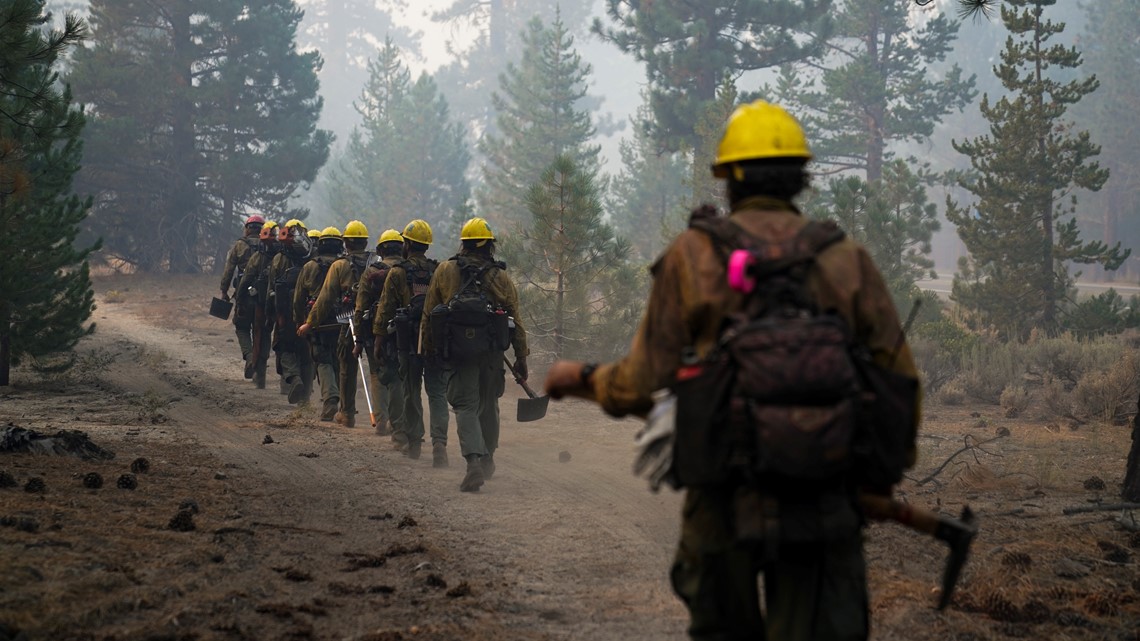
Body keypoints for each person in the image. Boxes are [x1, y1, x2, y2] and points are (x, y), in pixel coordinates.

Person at [544, 100, 922, 641]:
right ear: (800, 177)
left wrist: (580, 378)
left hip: (722, 498)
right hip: (824, 497)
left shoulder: (693, 254)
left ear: (730, 179)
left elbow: (641, 382)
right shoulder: (846, 258)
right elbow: (899, 385)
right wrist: (877, 479)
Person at [421, 217, 528, 491]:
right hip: (491, 353)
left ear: (464, 244)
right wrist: (521, 357)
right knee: (489, 404)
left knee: (465, 406)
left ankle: (473, 464)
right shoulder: (500, 276)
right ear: (489, 245)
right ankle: (488, 457)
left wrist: (429, 350)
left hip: (458, 353)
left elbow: (430, 314)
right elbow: (515, 319)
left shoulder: (445, 270)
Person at [375, 220, 449, 463]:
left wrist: (378, 339)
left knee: (411, 390)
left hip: (407, 342)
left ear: (407, 244)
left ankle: (415, 443)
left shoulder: (397, 273)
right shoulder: (438, 270)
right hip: (434, 340)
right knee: (437, 392)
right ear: (426, 245)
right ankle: (439, 443)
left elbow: (385, 309)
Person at [301, 220, 371, 427]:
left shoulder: (338, 266)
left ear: (346, 243)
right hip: (372, 322)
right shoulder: (376, 264)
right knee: (378, 370)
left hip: (345, 322)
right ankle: (384, 416)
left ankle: (345, 411)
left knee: (342, 364)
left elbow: (324, 298)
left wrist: (308, 322)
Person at [354, 228, 406, 435]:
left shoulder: (371, 272)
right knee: (399, 376)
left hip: (374, 332)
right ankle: (397, 422)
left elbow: (360, 307)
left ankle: (381, 419)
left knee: (377, 373)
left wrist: (358, 339)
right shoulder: (407, 269)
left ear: (381, 250)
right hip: (403, 331)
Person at [294, 226, 344, 421]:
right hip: (342, 319)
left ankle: (330, 400)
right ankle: (343, 404)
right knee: (338, 359)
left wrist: (300, 322)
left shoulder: (310, 266)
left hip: (316, 321)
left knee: (322, 360)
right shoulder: (345, 265)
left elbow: (298, 298)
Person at [270, 219, 315, 405]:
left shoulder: (278, 259)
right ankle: (305, 399)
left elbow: (271, 288)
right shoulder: (313, 257)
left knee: (284, 348)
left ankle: (294, 378)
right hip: (308, 313)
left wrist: (272, 314)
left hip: (285, 313)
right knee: (307, 354)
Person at [220, 214, 265, 378]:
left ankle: (249, 356)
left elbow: (228, 271)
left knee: (242, 327)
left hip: (244, 294)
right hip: (264, 295)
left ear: (247, 228)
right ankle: (259, 363)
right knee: (261, 329)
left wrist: (224, 291)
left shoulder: (239, 245)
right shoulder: (269, 245)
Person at [236, 221, 279, 389]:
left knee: (242, 327)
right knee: (264, 334)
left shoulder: (255, 256)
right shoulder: (282, 257)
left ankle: (249, 358)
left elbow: (245, 279)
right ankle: (261, 376)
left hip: (252, 299)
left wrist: (239, 300)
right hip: (272, 304)